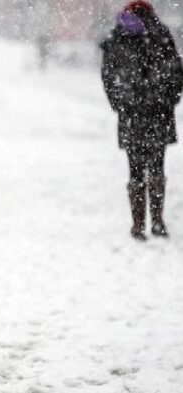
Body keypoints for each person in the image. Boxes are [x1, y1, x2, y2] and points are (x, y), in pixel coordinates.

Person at [101, 1, 183, 241]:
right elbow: (176, 71)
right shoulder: (161, 33)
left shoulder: (119, 36)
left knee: (135, 170)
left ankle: (138, 225)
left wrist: (120, 102)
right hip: (158, 112)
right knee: (157, 166)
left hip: (132, 114)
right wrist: (168, 99)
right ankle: (157, 220)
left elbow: (108, 74)